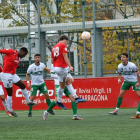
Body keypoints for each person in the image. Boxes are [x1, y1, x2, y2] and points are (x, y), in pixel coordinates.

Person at [0, 47, 37, 117]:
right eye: (24, 54)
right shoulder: (10, 51)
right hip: (5, 74)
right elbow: (1, 51)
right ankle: (10, 109)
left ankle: (28, 101)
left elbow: (13, 64)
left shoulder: (17, 58)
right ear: (22, 51)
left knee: (22, 85)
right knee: (10, 93)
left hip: (12, 74)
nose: (24, 56)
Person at [109, 52, 140, 119]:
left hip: (134, 81)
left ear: (127, 58)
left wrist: (138, 82)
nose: (122, 58)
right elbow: (119, 73)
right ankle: (116, 110)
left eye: (123, 57)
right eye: (121, 57)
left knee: (139, 95)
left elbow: (138, 73)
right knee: (121, 94)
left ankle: (138, 111)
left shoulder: (132, 65)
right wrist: (119, 80)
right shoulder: (120, 66)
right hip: (126, 81)